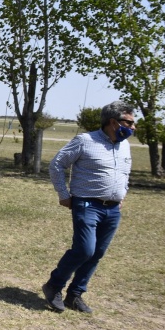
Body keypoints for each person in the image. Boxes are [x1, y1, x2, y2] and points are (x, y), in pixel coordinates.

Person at [42, 100, 135, 313]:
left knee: (98, 252)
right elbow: (57, 164)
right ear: (113, 122)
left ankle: (75, 295)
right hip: (86, 204)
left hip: (112, 209)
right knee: (85, 249)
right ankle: (54, 285)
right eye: (129, 123)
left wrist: (121, 194)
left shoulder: (125, 145)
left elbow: (124, 173)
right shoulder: (85, 141)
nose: (132, 127)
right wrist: (63, 194)